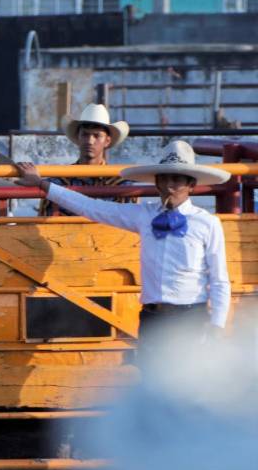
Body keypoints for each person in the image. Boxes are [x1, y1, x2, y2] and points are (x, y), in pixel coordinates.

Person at [15, 141, 231, 373]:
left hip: (190, 319)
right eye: (164, 178)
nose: (170, 185)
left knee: (189, 386)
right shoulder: (143, 215)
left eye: (177, 179)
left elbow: (219, 279)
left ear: (191, 184)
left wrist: (217, 324)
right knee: (153, 388)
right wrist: (43, 185)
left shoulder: (207, 223)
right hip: (152, 317)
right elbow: (91, 207)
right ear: (157, 182)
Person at [39, 103, 135, 216]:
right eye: (85, 135)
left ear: (107, 141)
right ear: (78, 137)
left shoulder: (122, 185)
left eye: (97, 135)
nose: (90, 141)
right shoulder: (58, 181)